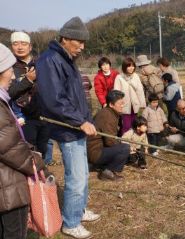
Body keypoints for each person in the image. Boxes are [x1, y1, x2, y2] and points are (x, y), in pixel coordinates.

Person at [36, 17, 100, 238]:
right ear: (65, 38)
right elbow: (54, 99)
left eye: (84, 43)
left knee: (82, 173)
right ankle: (70, 222)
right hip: (68, 128)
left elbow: (76, 97)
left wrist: (87, 119)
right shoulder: (49, 60)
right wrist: (79, 121)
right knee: (77, 177)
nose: (82, 47)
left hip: (77, 126)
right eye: (78, 42)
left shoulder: (67, 58)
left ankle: (79, 210)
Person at [0, 43, 44, 239]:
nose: (12, 75)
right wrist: (35, 163)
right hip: (8, 186)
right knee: (14, 232)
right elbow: (9, 147)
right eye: (10, 69)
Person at [8, 31, 50, 160]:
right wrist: (28, 80)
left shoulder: (42, 63)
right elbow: (8, 93)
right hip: (22, 117)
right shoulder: (7, 67)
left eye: (23, 43)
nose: (20, 47)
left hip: (44, 114)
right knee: (28, 151)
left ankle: (41, 175)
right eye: (15, 44)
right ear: (11, 47)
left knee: (43, 149)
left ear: (30, 47)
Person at [87, 90, 130, 181]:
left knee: (123, 147)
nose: (122, 105)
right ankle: (107, 172)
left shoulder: (110, 113)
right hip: (95, 152)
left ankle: (100, 166)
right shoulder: (107, 116)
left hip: (97, 149)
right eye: (120, 103)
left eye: (123, 103)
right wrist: (123, 145)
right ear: (111, 104)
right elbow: (110, 141)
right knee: (125, 148)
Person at [114, 57, 146, 135]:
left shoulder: (136, 76)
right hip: (125, 106)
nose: (131, 68)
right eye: (129, 66)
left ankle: (134, 143)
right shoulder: (119, 77)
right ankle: (125, 144)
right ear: (124, 67)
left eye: (132, 66)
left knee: (135, 125)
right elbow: (116, 93)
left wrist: (142, 104)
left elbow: (140, 91)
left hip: (135, 105)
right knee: (126, 126)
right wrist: (118, 106)